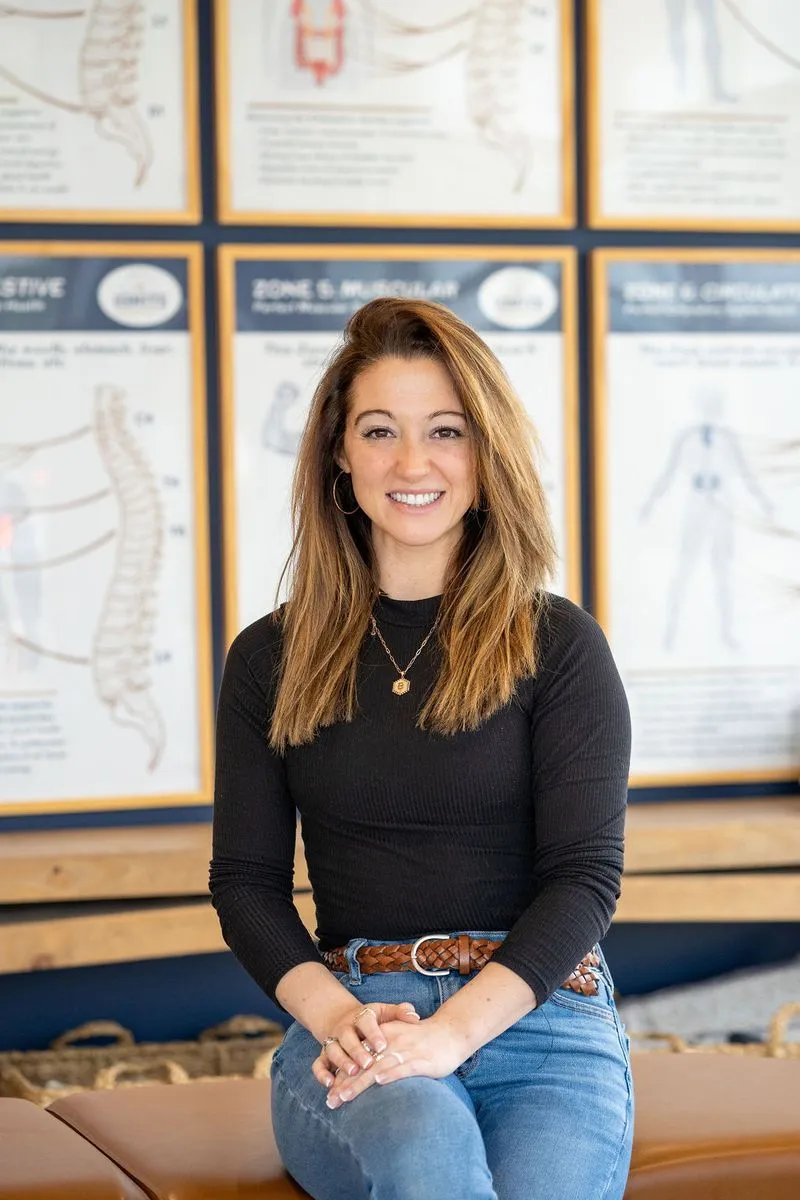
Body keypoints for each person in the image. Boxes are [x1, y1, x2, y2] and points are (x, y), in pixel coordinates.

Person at [210, 297, 634, 1200]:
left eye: (446, 430)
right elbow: (244, 881)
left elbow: (586, 876)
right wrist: (339, 1017)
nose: (413, 462)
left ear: (486, 453)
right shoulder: (269, 658)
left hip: (544, 1019)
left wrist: (450, 1036)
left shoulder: (556, 644)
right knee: (430, 1165)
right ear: (339, 453)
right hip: (353, 1020)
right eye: (379, 430)